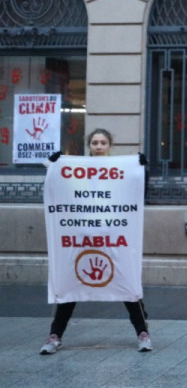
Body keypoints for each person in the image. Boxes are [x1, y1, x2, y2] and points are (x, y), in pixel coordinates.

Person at [41, 128, 152, 355]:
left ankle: (143, 333)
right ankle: (55, 335)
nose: (99, 146)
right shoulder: (76, 170)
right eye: (94, 142)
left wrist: (142, 169)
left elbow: (137, 192)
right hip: (81, 236)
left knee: (127, 283)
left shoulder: (121, 169)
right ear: (89, 145)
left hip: (114, 235)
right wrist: (51, 165)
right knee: (69, 284)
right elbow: (60, 190)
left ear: (110, 145)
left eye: (102, 142)